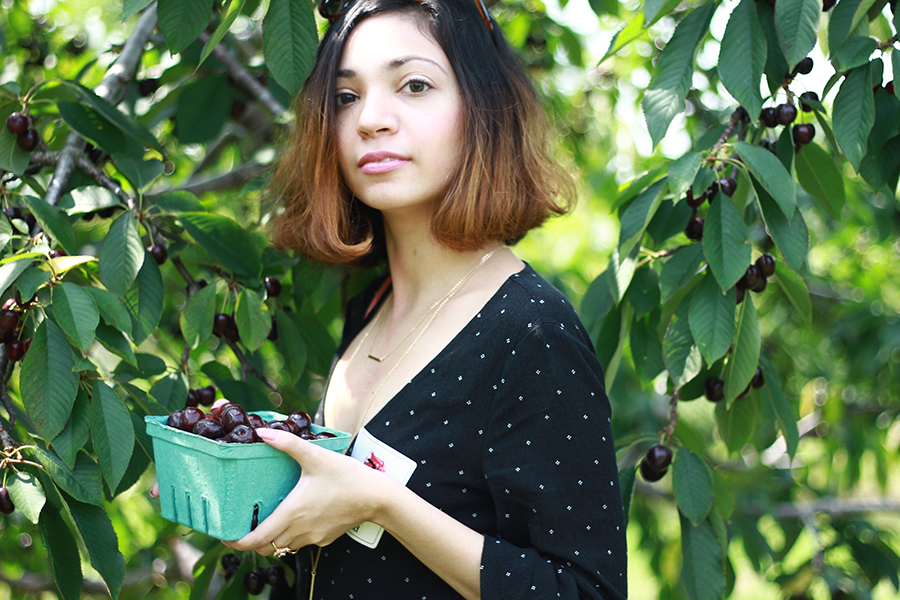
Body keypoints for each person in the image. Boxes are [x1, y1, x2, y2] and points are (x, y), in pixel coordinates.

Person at [225, 0, 628, 597]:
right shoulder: (372, 303)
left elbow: (588, 590)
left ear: (482, 106)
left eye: (413, 84)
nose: (371, 119)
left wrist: (387, 504)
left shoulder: (531, 331)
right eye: (345, 97)